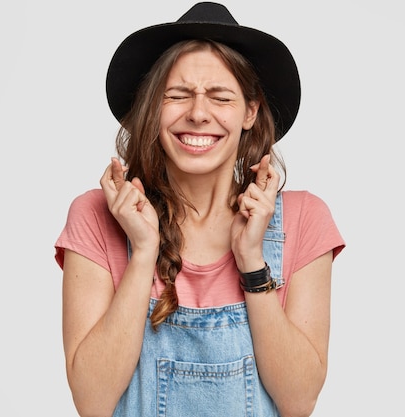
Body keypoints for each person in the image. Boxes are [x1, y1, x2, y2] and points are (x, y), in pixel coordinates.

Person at [54, 2, 345, 416]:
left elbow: (299, 401)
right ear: (153, 107)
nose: (197, 113)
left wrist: (251, 261)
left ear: (250, 111)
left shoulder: (304, 220)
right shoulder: (96, 216)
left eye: (220, 97)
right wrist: (142, 254)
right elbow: (92, 402)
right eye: (177, 95)